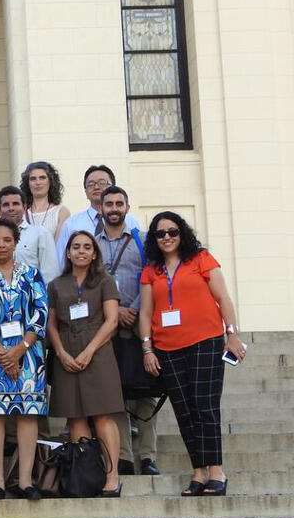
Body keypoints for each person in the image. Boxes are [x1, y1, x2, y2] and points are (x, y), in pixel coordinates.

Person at [139, 212, 244, 497]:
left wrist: (232, 334)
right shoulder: (151, 271)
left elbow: (223, 298)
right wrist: (147, 347)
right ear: (154, 239)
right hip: (167, 348)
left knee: (204, 408)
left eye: (172, 231)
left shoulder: (201, 259)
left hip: (205, 342)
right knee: (184, 412)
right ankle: (198, 472)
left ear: (182, 233)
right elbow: (146, 312)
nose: (167, 237)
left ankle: (216, 471)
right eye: (160, 234)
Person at [0, 219, 48, 500]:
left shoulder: (32, 275)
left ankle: (26, 481)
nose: (1, 245)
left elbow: (40, 314)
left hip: (29, 355)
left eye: (6, 240)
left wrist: (19, 350)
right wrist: (2, 353)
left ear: (15, 242)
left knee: (27, 414)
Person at [46, 230, 124, 496]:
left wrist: (89, 351)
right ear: (68, 252)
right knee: (75, 416)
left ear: (94, 253)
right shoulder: (56, 284)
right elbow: (51, 323)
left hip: (98, 350)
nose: (81, 251)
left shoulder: (105, 281)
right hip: (66, 351)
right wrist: (60, 352)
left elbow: (112, 321)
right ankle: (86, 474)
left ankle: (112, 476)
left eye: (86, 247)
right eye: (75, 247)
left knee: (102, 415)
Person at [96, 186, 160, 476]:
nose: (114, 208)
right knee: (114, 390)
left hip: (140, 322)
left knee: (147, 392)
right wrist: (114, 310)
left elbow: (153, 277)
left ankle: (148, 456)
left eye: (119, 203)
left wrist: (132, 308)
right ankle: (123, 455)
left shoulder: (143, 241)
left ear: (127, 206)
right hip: (107, 325)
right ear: (100, 207)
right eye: (108, 203)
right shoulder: (91, 243)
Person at [55, 165, 142, 263]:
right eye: (91, 184)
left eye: (102, 183)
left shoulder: (130, 221)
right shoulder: (71, 224)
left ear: (113, 187)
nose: (96, 187)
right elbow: (60, 260)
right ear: (86, 192)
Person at [0, 186, 59, 283]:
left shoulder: (40, 234)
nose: (11, 208)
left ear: (24, 207)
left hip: (33, 296)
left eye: (15, 204)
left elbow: (50, 273)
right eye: (6, 205)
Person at [19, 161, 71, 241]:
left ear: (50, 181)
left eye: (42, 178)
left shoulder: (61, 212)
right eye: (33, 179)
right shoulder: (20, 213)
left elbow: (60, 247)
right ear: (28, 183)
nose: (38, 182)